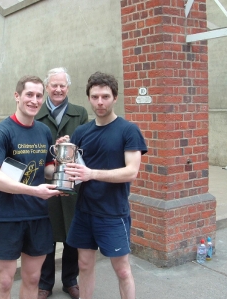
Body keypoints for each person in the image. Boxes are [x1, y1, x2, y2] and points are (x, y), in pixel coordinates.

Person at [63, 72, 147, 299]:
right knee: (84, 265)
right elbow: (73, 168)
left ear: (115, 97)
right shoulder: (82, 132)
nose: (100, 102)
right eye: (95, 97)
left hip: (112, 212)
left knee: (121, 269)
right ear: (89, 98)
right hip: (84, 211)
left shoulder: (128, 130)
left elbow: (131, 172)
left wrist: (92, 174)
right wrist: (64, 153)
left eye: (105, 96)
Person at [0, 75, 63, 299]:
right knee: (6, 281)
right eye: (29, 94)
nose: (34, 100)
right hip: (8, 216)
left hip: (38, 216)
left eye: (39, 96)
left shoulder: (44, 131)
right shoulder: (1, 132)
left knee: (33, 278)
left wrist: (66, 169)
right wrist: (34, 191)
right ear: (17, 96)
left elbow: (46, 170)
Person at [35, 67, 88, 299]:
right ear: (47, 87)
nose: (58, 89)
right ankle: (44, 283)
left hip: (71, 183)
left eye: (62, 85)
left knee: (71, 234)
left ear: (68, 87)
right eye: (54, 85)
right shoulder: (36, 112)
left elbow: (86, 146)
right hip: (44, 180)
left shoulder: (80, 113)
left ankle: (70, 280)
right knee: (47, 233)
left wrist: (71, 145)